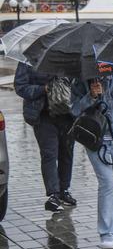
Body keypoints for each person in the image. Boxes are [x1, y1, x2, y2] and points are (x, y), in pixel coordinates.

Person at [71, 72, 113, 249]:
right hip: (95, 140)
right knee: (106, 184)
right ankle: (107, 232)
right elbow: (74, 110)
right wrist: (90, 96)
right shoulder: (81, 81)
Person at [13, 62, 77, 212]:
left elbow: (80, 83)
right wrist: (44, 89)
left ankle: (64, 190)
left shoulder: (68, 57)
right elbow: (20, 86)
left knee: (66, 154)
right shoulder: (29, 59)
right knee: (49, 154)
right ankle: (53, 195)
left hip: (68, 115)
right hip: (43, 115)